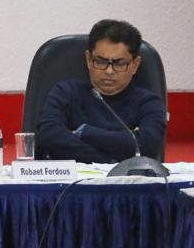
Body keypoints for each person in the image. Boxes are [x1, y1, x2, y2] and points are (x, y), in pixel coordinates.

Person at [37, 19, 166, 162]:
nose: (109, 71)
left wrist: (85, 132)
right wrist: (111, 161)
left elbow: (144, 145)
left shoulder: (149, 103)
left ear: (135, 65)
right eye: (101, 61)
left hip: (127, 177)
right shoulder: (65, 93)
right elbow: (49, 136)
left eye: (119, 63)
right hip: (72, 176)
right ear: (88, 59)